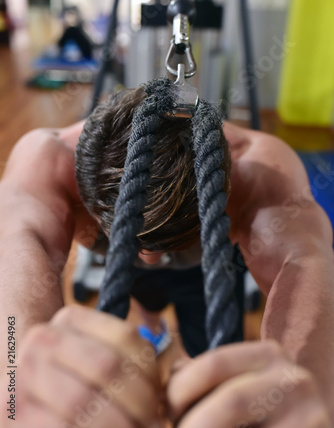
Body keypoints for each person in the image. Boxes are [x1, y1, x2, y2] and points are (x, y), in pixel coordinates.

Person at [0, 84, 333, 426]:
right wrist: (13, 381)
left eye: (167, 245)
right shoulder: (48, 161)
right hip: (128, 275)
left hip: (203, 273)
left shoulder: (259, 172)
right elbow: (15, 250)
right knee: (146, 294)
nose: (150, 257)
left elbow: (307, 260)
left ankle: (192, 366)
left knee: (207, 351)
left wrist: (310, 386)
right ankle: (152, 331)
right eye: (136, 242)